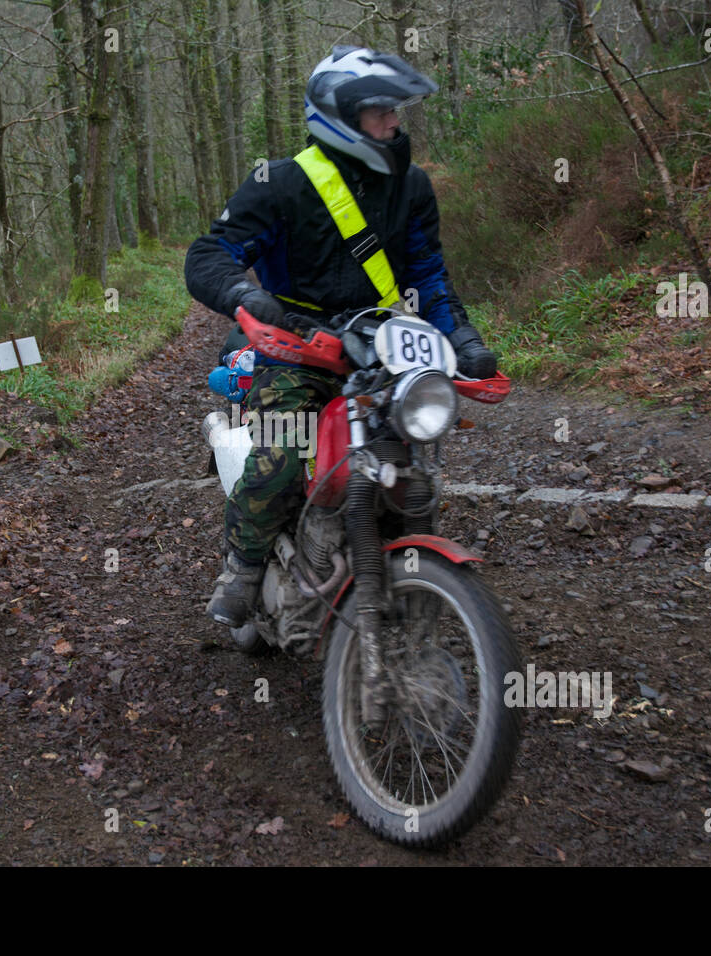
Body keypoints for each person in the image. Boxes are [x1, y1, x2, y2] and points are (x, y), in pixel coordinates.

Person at [185, 45, 498, 628]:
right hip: (294, 348)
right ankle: (244, 564)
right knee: (281, 456)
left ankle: (405, 569)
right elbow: (209, 255)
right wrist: (246, 296)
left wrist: (466, 339)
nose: (394, 121)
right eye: (380, 111)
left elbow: (428, 275)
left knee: (413, 464)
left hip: (383, 344)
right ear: (340, 115)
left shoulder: (413, 188)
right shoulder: (280, 183)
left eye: (396, 110)